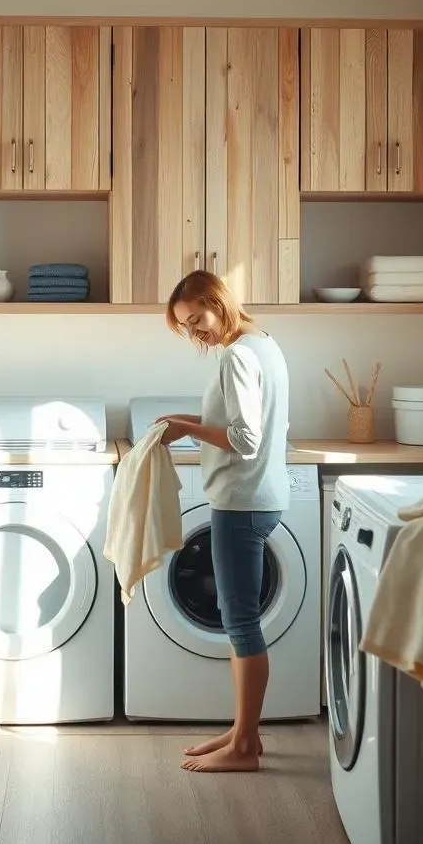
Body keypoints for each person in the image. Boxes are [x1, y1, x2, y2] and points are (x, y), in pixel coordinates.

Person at [156, 270, 290, 773]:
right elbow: (244, 421)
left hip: (241, 500)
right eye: (187, 328)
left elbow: (243, 437)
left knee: (240, 624)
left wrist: (186, 428)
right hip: (263, 495)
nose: (196, 333)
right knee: (243, 621)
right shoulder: (264, 344)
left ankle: (244, 748)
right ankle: (242, 732)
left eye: (197, 319)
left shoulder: (236, 354)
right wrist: (187, 422)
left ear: (217, 301)